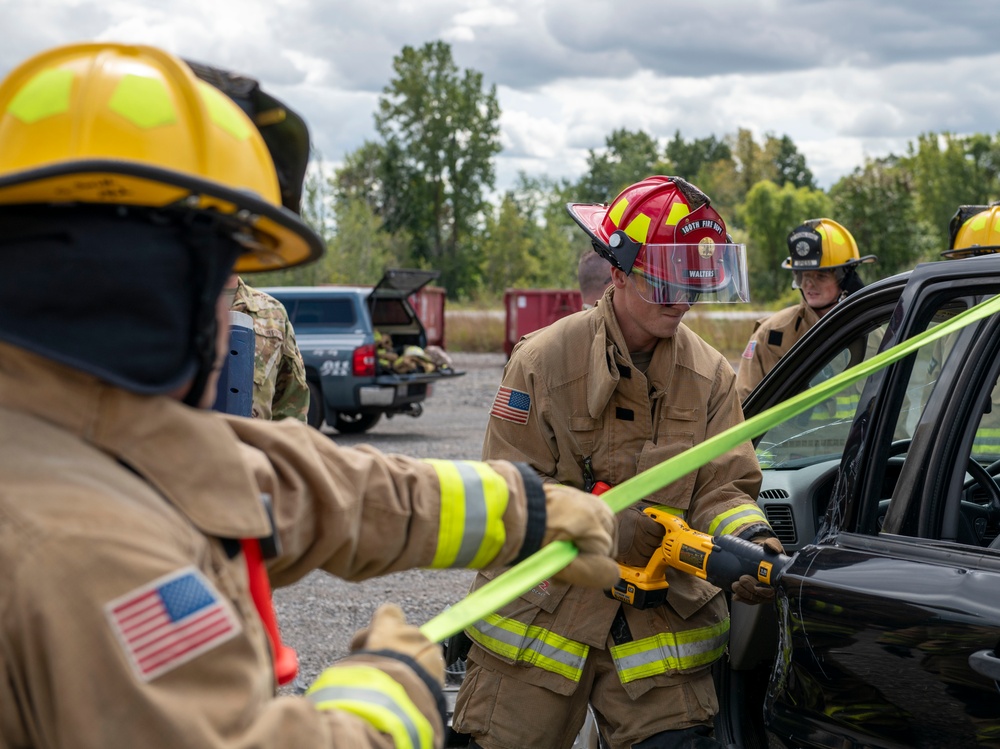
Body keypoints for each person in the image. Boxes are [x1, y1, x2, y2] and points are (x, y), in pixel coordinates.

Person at [0, 42, 620, 749]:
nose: (230, 308)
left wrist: (525, 510)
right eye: (224, 276)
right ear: (154, 285)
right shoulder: (90, 553)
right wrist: (389, 695)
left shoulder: (87, 427)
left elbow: (290, 484)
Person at [452, 176, 782, 749]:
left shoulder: (710, 377)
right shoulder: (542, 363)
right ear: (619, 271)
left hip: (658, 635)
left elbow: (723, 488)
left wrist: (753, 545)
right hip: (541, 622)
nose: (681, 300)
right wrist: (609, 524)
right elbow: (509, 493)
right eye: (666, 282)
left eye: (693, 283)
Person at [735, 218, 877, 402]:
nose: (809, 284)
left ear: (846, 278)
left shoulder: (874, 334)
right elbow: (743, 403)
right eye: (803, 275)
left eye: (821, 275)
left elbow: (897, 407)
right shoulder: (772, 334)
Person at [222, 273, 310, 422]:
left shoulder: (272, 312)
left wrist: (283, 443)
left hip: (252, 442)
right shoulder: (174, 305)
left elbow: (292, 397)